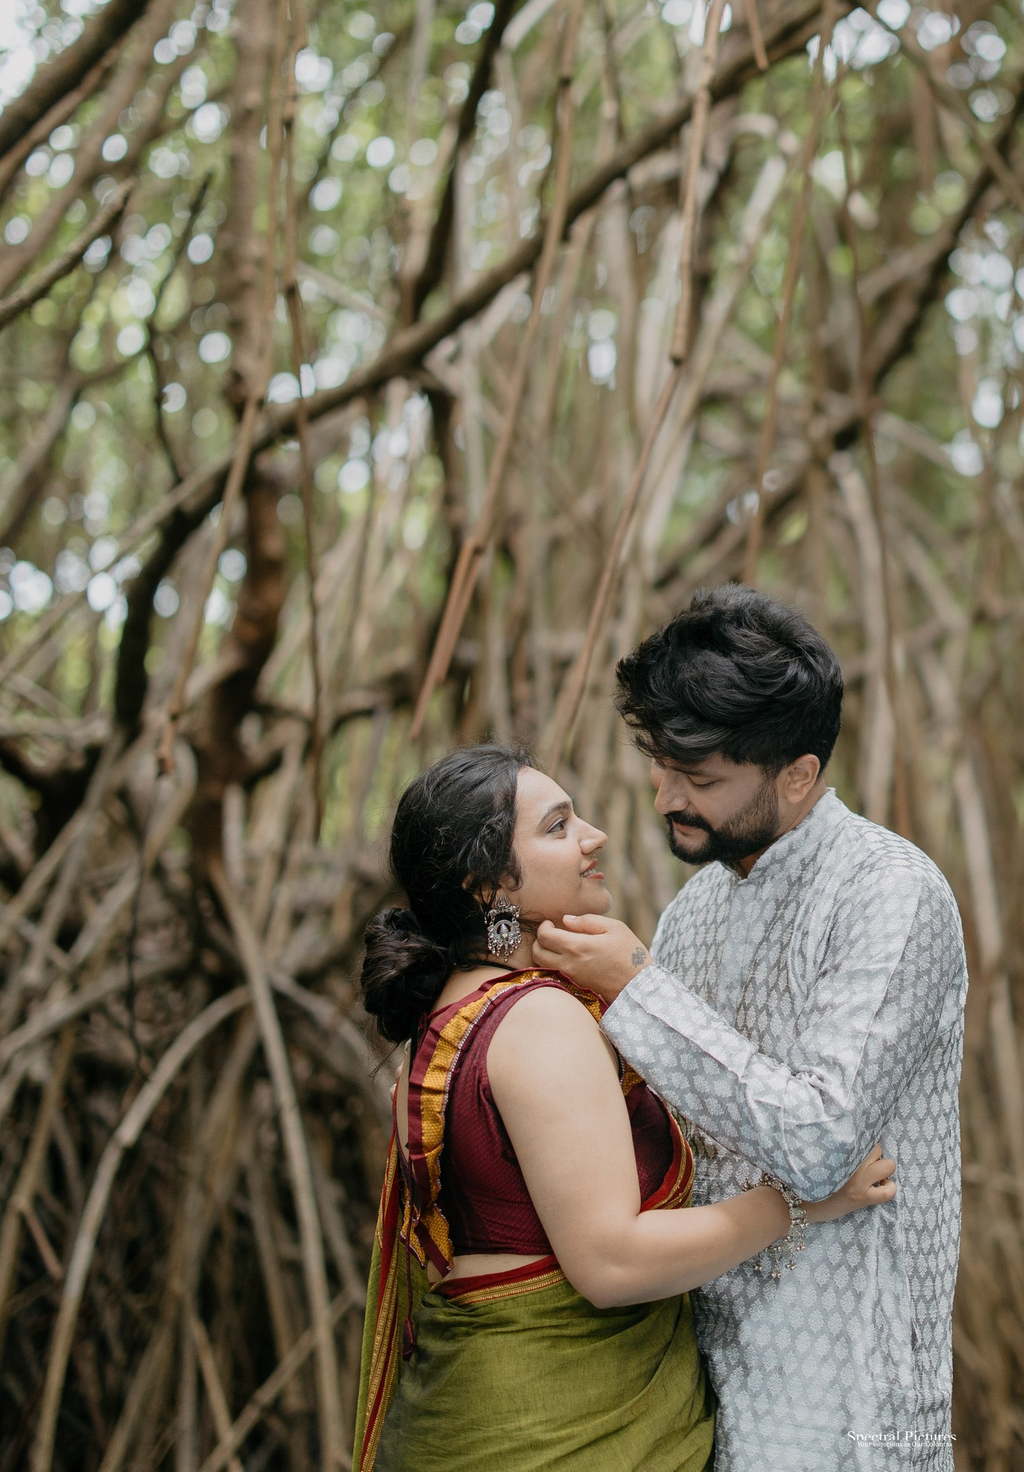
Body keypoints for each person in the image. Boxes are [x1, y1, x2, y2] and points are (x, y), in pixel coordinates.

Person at [351, 744, 897, 1472]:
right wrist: (798, 1202)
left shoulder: (454, 1006)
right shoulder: (541, 1019)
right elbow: (611, 1260)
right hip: (557, 1433)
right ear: (487, 886)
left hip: (480, 1418)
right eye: (556, 826)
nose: (594, 835)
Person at [535, 586, 968, 1470]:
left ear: (798, 775)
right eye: (662, 765)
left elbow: (818, 1141)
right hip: (699, 1374)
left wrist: (634, 988)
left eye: (701, 779)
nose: (664, 797)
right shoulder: (694, 908)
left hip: (851, 1384)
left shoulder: (890, 891)